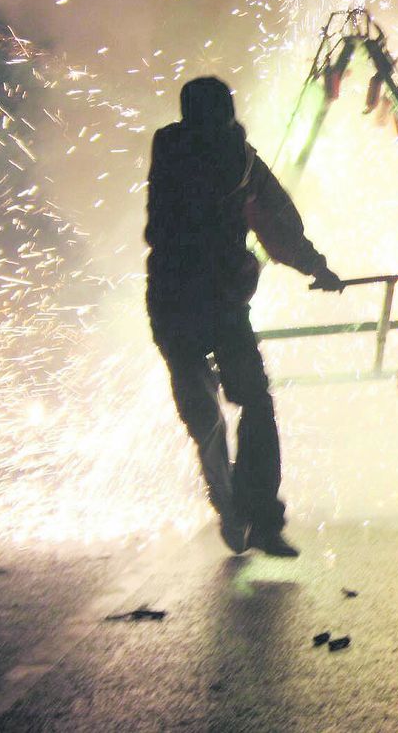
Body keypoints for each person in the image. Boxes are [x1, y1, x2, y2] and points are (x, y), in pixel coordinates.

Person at [146, 77, 343, 557]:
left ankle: (233, 510)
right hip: (219, 303)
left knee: (204, 414)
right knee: (253, 400)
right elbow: (277, 226)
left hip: (172, 302)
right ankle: (258, 518)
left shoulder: (168, 146)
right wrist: (316, 266)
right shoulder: (241, 161)